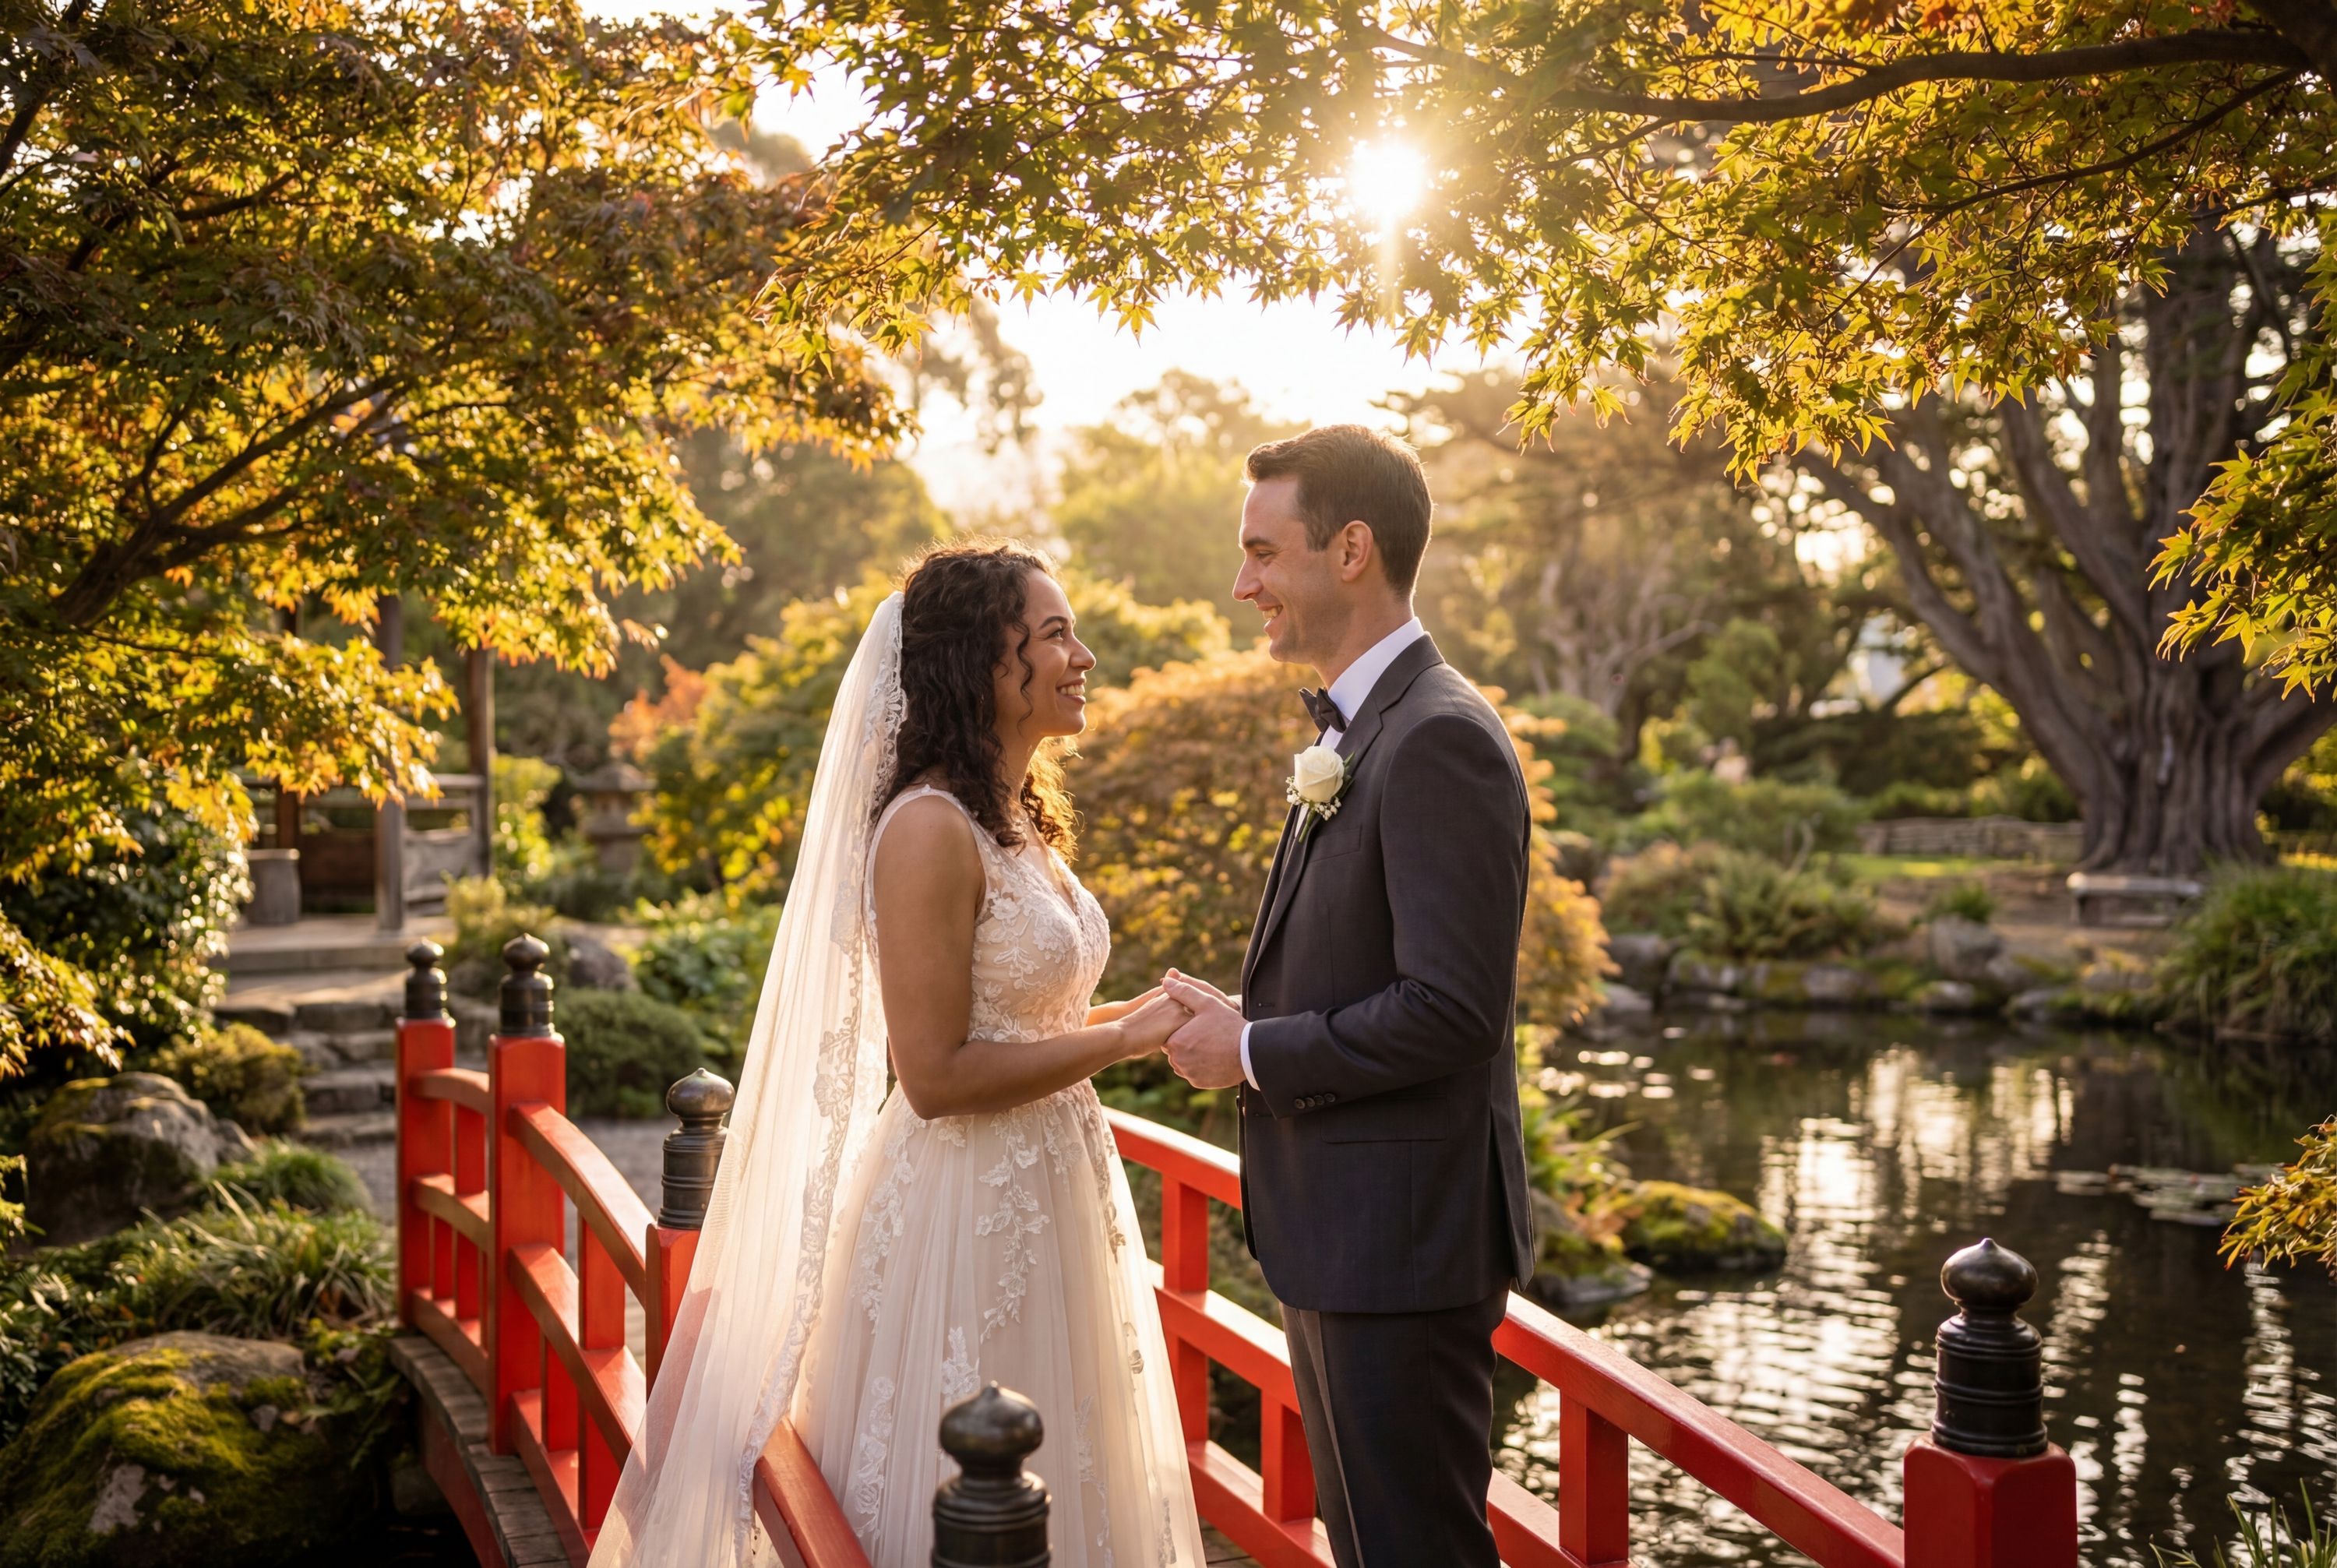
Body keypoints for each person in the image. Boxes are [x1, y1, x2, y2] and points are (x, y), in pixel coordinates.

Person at [590, 540, 1205, 1568]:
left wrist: (1145, 1009)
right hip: (963, 1206)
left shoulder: (1020, 819)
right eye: (1054, 634)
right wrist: (1120, 1040)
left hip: (1057, 1187)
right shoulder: (928, 827)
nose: (1083, 655)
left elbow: (1031, 1013)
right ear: (980, 661)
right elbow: (935, 1075)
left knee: (1075, 1467)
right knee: (961, 1475)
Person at [1160, 425, 1536, 1568]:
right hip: (1349, 1239)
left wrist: (1257, 1048)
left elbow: (1453, 1009)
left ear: (1353, 549)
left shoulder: (1437, 737)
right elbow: (1373, 964)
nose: (1243, 585)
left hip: (1403, 1253)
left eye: (1264, 553)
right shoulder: (1362, 727)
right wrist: (1242, 1017)